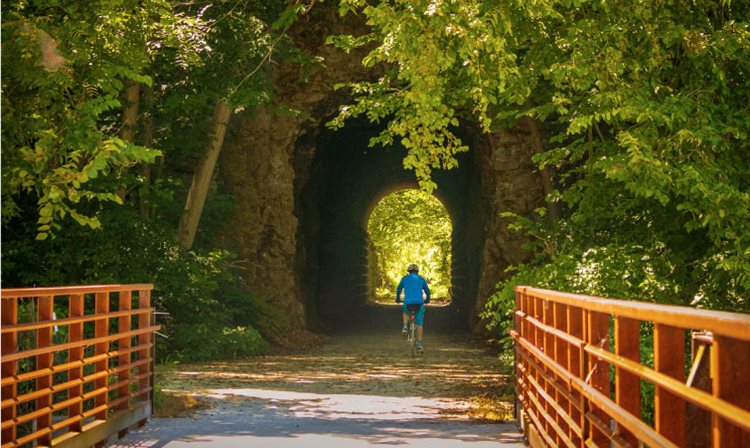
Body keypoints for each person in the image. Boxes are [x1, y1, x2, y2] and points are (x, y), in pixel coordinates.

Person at [395, 263, 430, 353]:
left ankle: (405, 326)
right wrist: (427, 299)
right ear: (417, 272)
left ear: (408, 271)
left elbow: (399, 289)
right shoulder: (421, 279)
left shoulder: (405, 278)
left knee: (406, 311)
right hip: (419, 303)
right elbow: (427, 291)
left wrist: (398, 298)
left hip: (408, 303)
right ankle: (419, 344)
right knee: (419, 324)